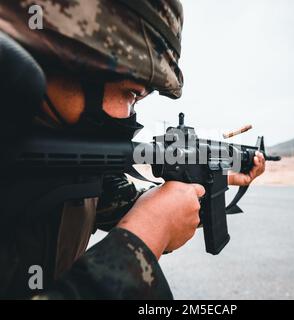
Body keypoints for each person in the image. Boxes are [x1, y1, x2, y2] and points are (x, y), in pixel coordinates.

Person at [0, 0, 266, 299]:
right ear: (57, 59)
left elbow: (111, 201)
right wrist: (147, 234)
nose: (130, 116)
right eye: (130, 93)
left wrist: (211, 180)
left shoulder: (62, 166)